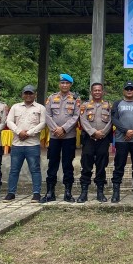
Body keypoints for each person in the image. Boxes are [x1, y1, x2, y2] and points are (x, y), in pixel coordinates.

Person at [3, 85, 46, 202]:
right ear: (22, 94)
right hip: (17, 144)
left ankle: (36, 193)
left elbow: (42, 123)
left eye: (30, 93)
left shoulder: (40, 108)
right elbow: (9, 121)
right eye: (26, 93)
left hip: (33, 144)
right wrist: (19, 132)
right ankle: (11, 193)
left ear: (35, 95)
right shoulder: (15, 107)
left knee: (35, 169)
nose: (28, 96)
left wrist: (29, 133)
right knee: (14, 170)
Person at [41, 73, 80, 203]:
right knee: (52, 163)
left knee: (67, 164)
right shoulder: (52, 98)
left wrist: (63, 129)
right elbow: (47, 115)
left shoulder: (75, 99)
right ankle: (50, 192)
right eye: (62, 83)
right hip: (54, 136)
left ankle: (67, 192)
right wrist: (56, 129)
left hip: (69, 136)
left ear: (70, 85)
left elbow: (76, 116)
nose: (64, 85)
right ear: (59, 84)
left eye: (67, 83)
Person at [77, 82, 113, 203]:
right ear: (91, 92)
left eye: (99, 90)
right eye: (95, 90)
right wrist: (93, 132)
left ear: (103, 92)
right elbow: (83, 120)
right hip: (89, 139)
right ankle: (84, 192)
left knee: (101, 165)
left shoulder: (108, 105)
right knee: (86, 165)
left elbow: (111, 121)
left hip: (103, 139)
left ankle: (100, 192)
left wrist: (102, 132)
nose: (97, 92)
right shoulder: (85, 106)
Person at [111, 81, 133, 203]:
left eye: (131, 89)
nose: (129, 91)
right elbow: (114, 119)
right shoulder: (117, 103)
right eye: (127, 89)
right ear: (123, 91)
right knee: (119, 165)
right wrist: (125, 131)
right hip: (122, 139)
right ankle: (116, 192)